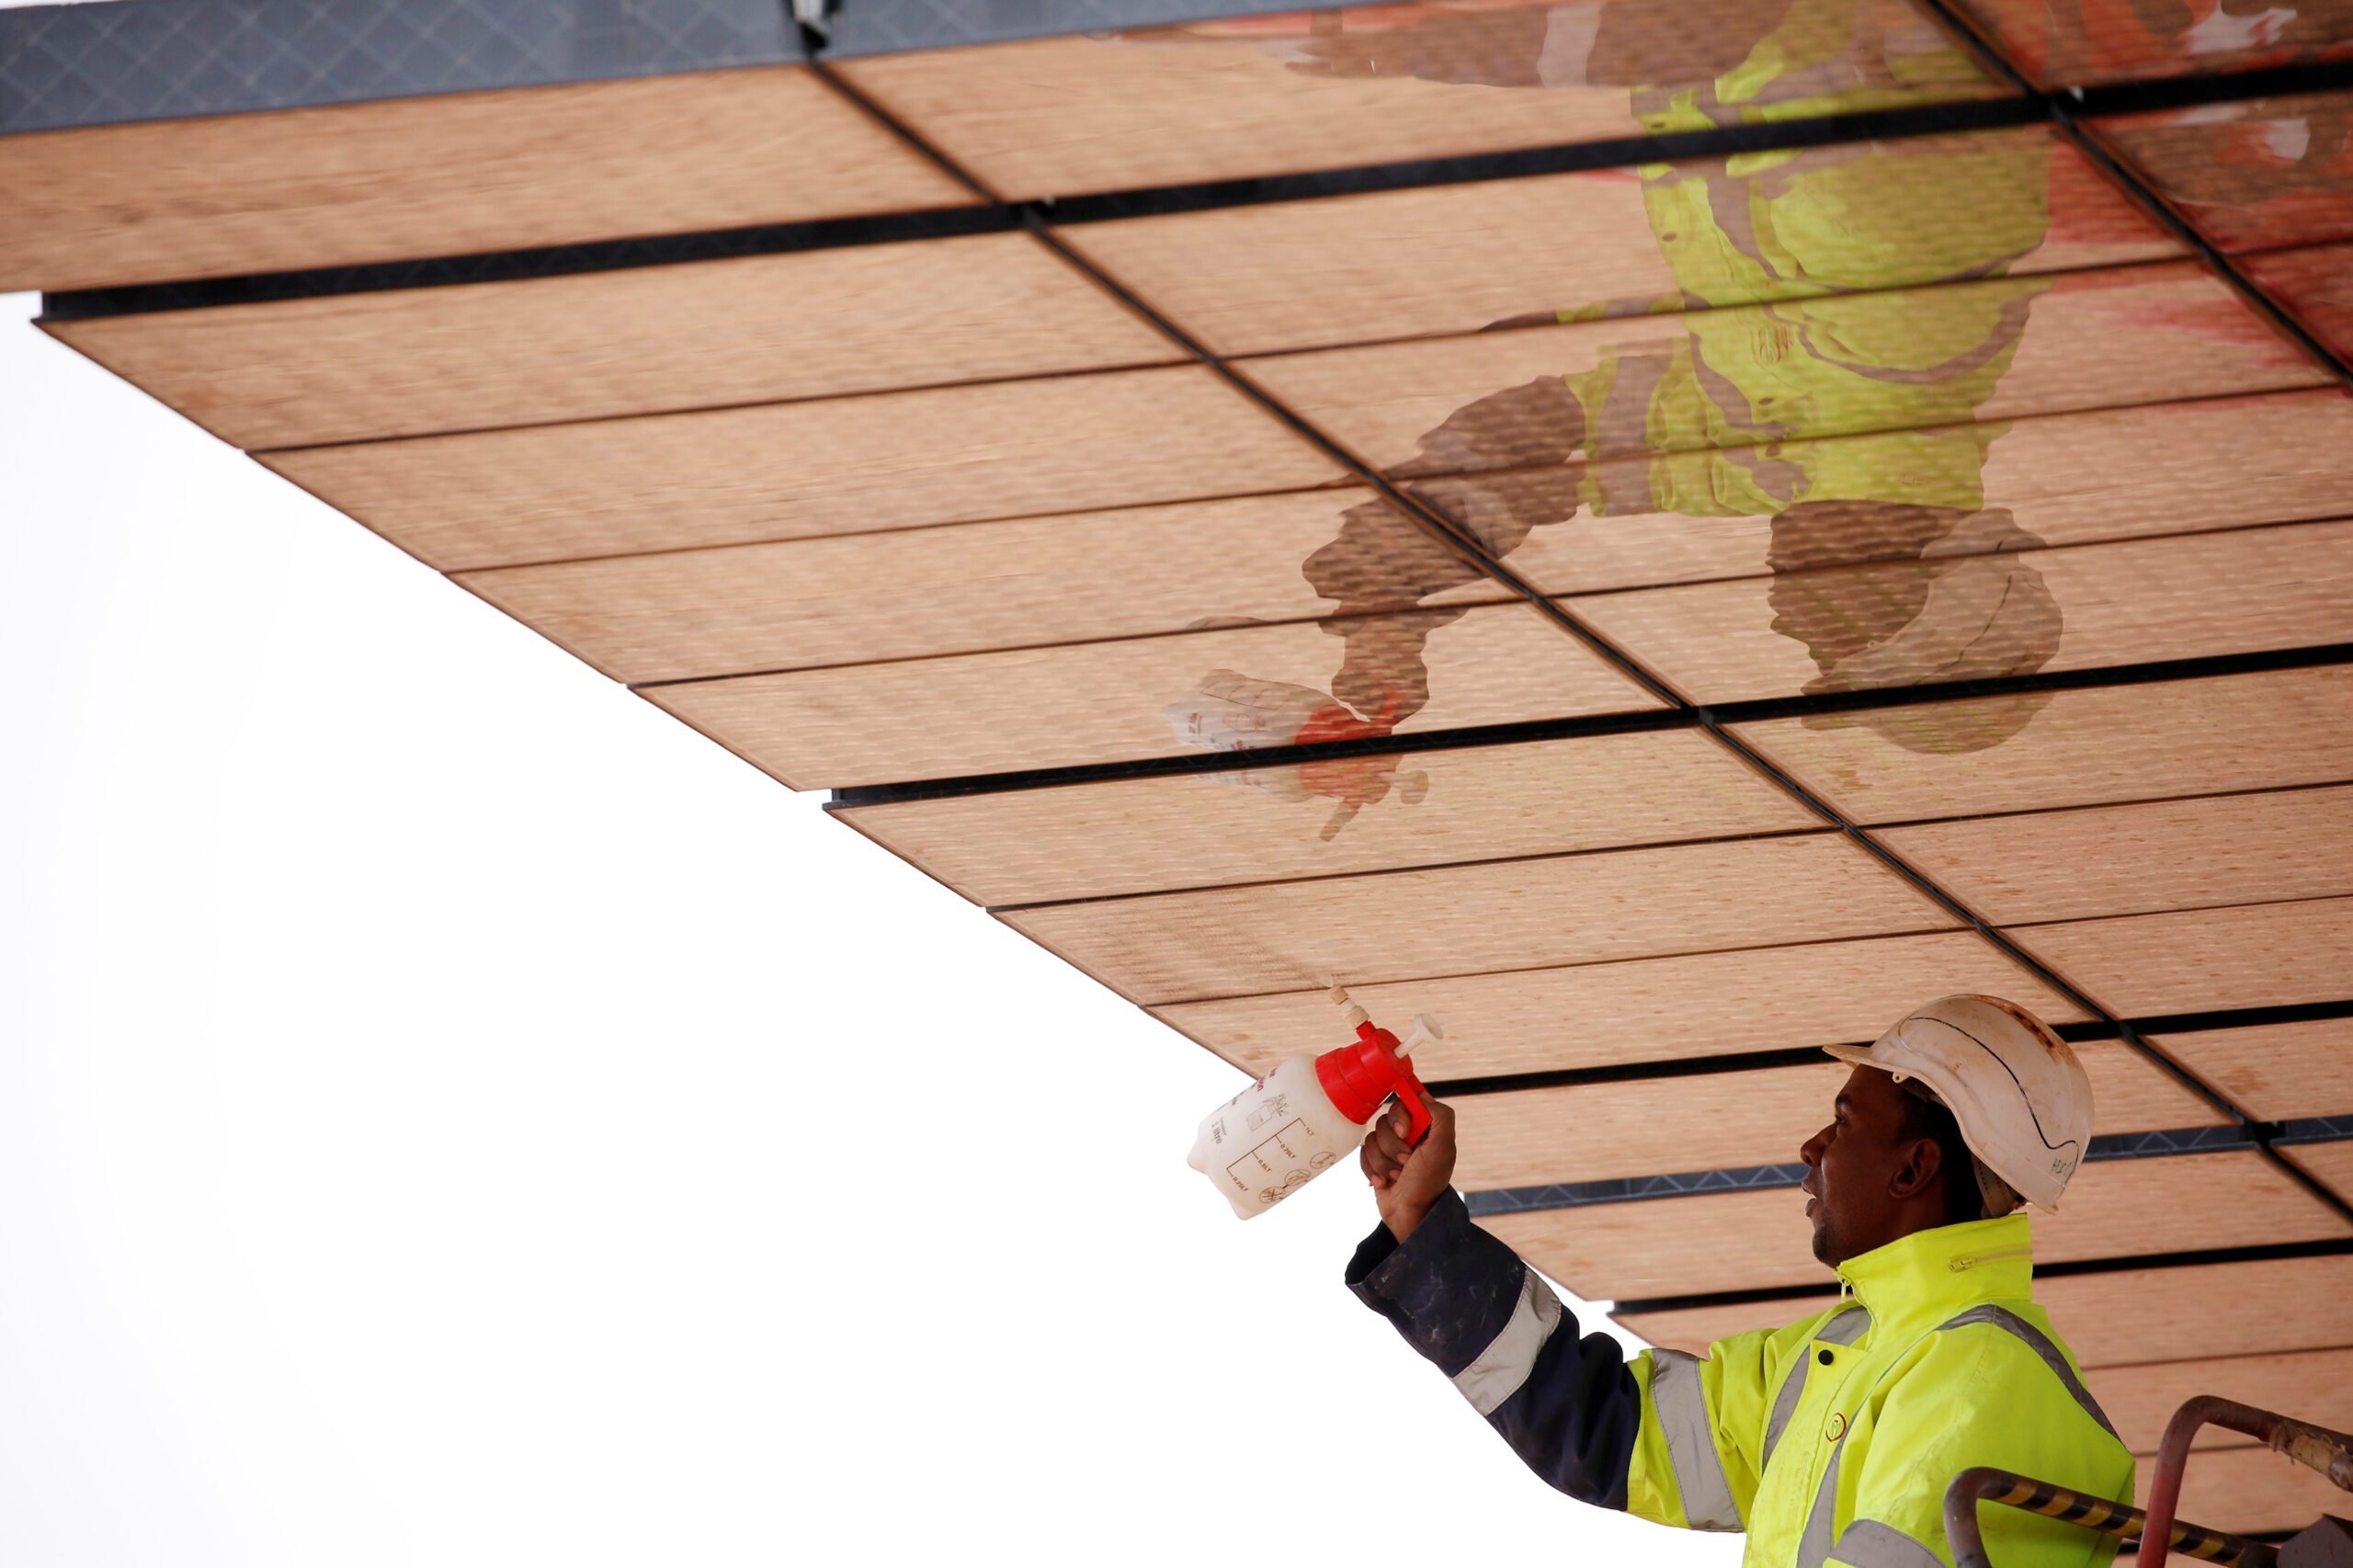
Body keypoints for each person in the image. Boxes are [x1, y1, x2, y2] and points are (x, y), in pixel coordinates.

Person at [1350, 994, 2134, 1568]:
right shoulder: (1842, 1356)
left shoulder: (1989, 1376)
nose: (1811, 1146)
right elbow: (1610, 1432)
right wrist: (1424, 1229)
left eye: (1844, 1120)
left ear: (1915, 1167)